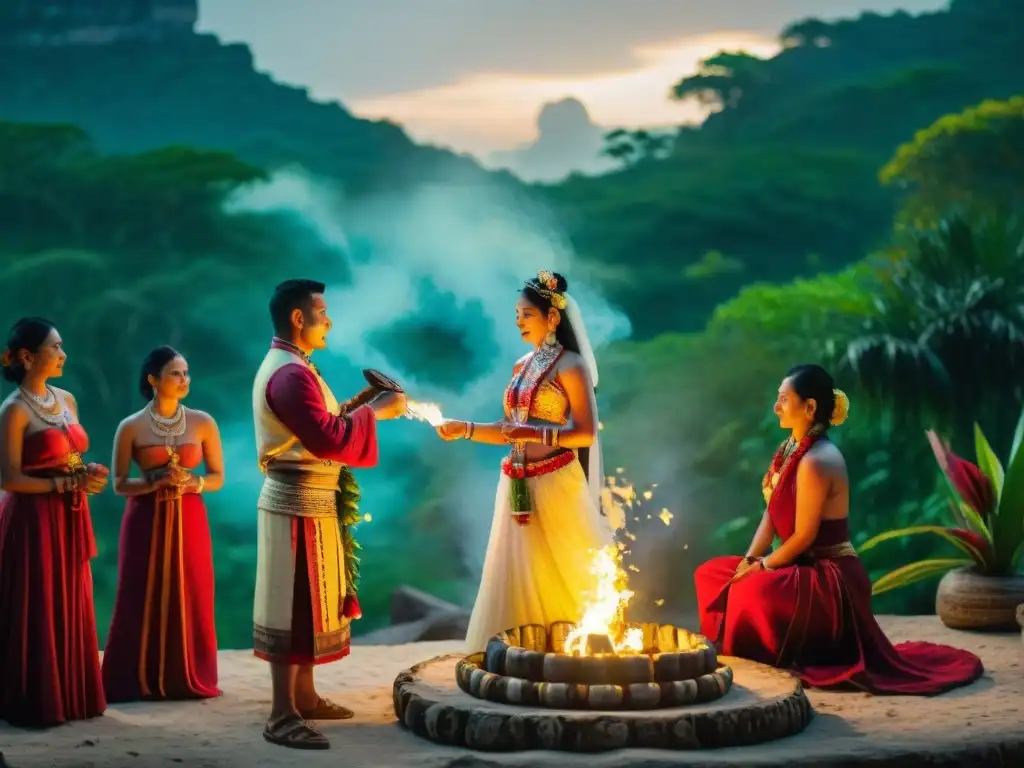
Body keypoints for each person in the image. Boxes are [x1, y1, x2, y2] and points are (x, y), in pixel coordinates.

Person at [694, 364, 984, 695]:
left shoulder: (819, 459)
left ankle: (761, 660)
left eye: (784, 399)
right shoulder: (790, 449)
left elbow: (804, 537)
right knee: (712, 574)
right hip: (793, 564)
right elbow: (771, 516)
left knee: (753, 590)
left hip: (827, 575)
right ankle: (746, 646)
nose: (776, 407)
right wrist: (749, 560)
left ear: (810, 407)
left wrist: (761, 568)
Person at [252, 279, 407, 750]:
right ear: (299, 318)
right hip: (295, 500)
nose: (329, 320)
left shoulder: (295, 367)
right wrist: (376, 413)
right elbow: (324, 438)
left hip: (313, 499)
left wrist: (359, 406)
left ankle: (304, 696)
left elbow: (323, 423)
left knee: (312, 599)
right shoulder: (291, 374)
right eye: (322, 312)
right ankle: (282, 714)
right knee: (294, 603)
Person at [437, 270, 619, 653]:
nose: (518, 321)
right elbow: (509, 429)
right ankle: (516, 651)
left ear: (552, 318)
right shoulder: (522, 365)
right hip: (516, 480)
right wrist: (465, 428)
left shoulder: (571, 365)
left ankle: (569, 650)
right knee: (515, 571)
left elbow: (585, 433)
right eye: (517, 314)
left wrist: (535, 435)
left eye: (526, 314)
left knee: (562, 570)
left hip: (556, 481)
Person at [0, 317, 110, 727]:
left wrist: (87, 474)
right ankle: (38, 699)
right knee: (39, 601)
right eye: (55, 347)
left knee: (71, 596)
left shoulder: (66, 399)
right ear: (28, 357)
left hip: (69, 513)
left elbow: (71, 456)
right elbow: (8, 478)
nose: (63, 354)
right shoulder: (13, 411)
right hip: (32, 519)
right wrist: (64, 484)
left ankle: (74, 694)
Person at [101, 346, 224, 702]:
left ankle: (189, 675)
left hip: (189, 516)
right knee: (140, 589)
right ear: (153, 379)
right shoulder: (131, 427)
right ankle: (133, 676)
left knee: (192, 588)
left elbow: (217, 476)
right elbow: (120, 484)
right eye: (175, 373)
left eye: (186, 373)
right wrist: (155, 482)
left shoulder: (203, 422)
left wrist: (193, 482)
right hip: (145, 517)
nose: (184, 380)